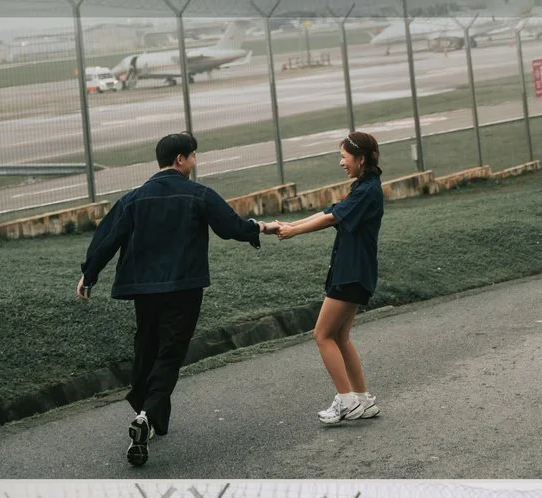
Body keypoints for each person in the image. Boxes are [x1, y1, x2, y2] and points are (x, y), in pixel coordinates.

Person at [76, 132, 264, 468]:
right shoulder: (197, 195)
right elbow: (230, 226)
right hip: (183, 288)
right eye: (192, 156)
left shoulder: (134, 199)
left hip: (144, 291)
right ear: (180, 159)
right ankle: (148, 415)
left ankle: (151, 416)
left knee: (147, 346)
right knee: (170, 353)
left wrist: (89, 274)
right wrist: (258, 229)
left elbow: (107, 238)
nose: (193, 162)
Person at [262, 131, 385, 425]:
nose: (341, 163)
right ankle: (362, 399)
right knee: (340, 336)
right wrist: (290, 225)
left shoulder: (367, 191)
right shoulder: (365, 187)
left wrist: (293, 232)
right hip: (355, 272)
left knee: (322, 335)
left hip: (351, 273)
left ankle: (346, 401)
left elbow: (332, 218)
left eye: (344, 157)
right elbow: (329, 211)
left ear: (361, 158)